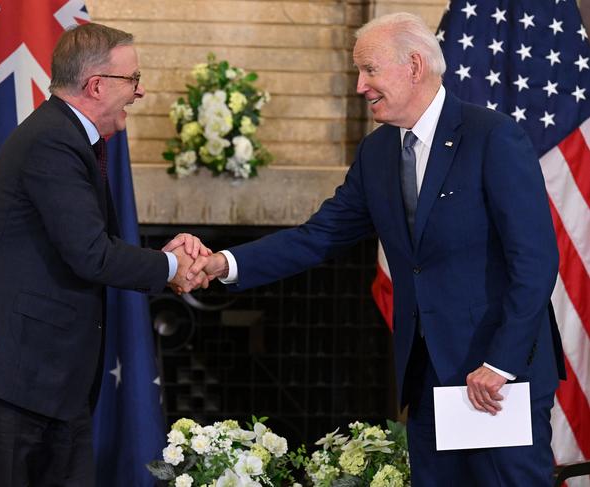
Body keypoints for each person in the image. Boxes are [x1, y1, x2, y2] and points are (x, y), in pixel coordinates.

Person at [191, 12, 566, 486]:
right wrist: (223, 263)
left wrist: (499, 363)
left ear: (414, 65)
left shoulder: (492, 137)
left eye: (369, 70)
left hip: (496, 378)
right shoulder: (378, 153)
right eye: (358, 72)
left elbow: (535, 262)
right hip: (428, 377)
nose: (359, 86)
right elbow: (317, 236)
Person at [0, 23, 208, 486]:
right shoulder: (53, 140)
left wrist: (162, 258)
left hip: (46, 381)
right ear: (97, 85)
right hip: (8, 378)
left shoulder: (69, 139)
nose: (140, 91)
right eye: (133, 79)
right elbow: (90, 254)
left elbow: (86, 243)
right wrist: (171, 266)